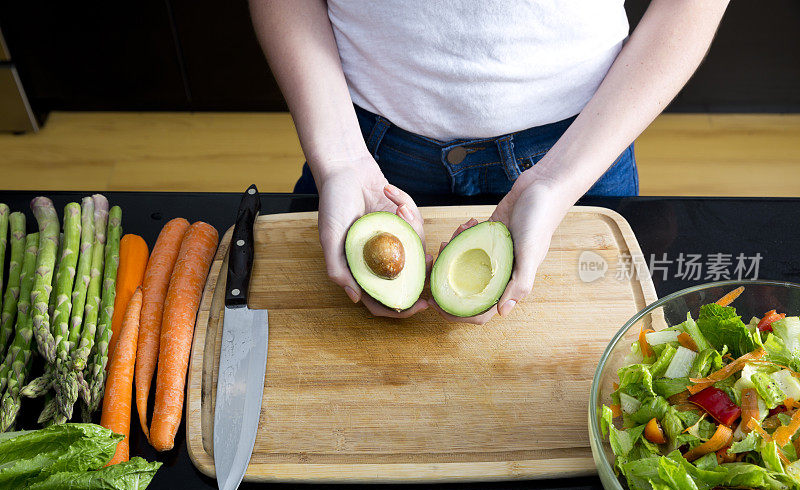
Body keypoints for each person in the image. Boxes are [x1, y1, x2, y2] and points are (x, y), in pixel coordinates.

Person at [249, 0, 729, 324]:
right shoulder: (346, 156)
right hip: (357, 140)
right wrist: (340, 159)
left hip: (583, 148)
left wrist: (558, 181)